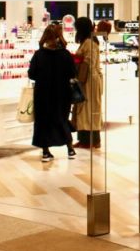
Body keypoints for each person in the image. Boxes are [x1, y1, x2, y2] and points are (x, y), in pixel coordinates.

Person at [29, 23, 77, 162]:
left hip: (43, 93)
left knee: (43, 121)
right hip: (62, 93)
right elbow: (73, 73)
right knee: (62, 119)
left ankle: (45, 151)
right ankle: (70, 148)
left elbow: (32, 74)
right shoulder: (65, 55)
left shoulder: (39, 55)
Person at [73, 16, 104, 148]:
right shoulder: (88, 41)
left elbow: (88, 62)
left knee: (89, 109)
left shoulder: (89, 42)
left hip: (89, 80)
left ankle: (90, 140)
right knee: (86, 109)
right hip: (88, 79)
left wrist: (76, 59)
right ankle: (85, 139)